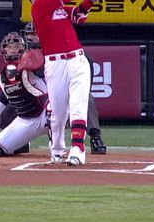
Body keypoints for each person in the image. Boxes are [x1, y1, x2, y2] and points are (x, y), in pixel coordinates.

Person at [26, 0, 112, 166]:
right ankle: (57, 149)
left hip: (77, 60)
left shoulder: (59, 9)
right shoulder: (39, 6)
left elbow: (79, 15)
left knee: (78, 106)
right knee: (58, 115)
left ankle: (78, 149)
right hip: (55, 65)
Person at [20, 22, 107, 155]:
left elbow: (84, 87)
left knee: (87, 98)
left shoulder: (70, 54)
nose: (33, 38)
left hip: (63, 92)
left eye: (35, 33)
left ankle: (95, 137)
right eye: (30, 34)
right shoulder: (22, 56)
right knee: (17, 95)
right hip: (38, 99)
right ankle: (20, 140)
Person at [0, 32, 50, 158]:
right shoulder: (2, 78)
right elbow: (6, 95)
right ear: (3, 50)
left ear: (24, 48)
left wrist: (26, 63)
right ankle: (22, 144)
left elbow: (40, 65)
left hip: (46, 113)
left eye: (16, 46)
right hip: (25, 119)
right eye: (9, 47)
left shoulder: (33, 65)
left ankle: (58, 150)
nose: (12, 49)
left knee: (53, 110)